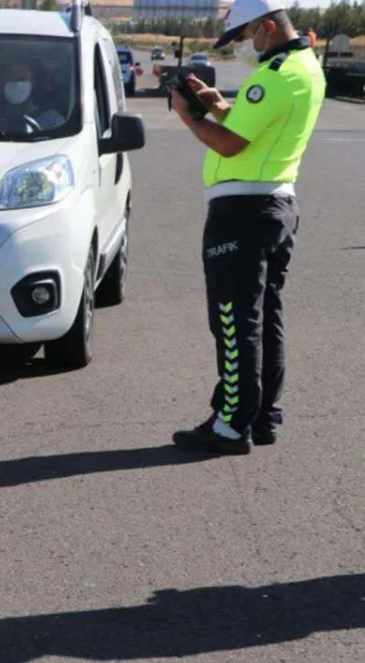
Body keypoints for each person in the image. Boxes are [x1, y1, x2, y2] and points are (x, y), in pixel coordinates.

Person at [168, 0, 324, 454]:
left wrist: (188, 115)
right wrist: (218, 106)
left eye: (242, 36)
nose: (240, 47)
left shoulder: (275, 78)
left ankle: (231, 425)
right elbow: (258, 127)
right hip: (275, 203)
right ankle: (262, 416)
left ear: (268, 27)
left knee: (235, 321)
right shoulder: (303, 67)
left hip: (243, 211)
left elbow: (232, 145)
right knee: (264, 316)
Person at [0, 58, 66, 133]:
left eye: (23, 78)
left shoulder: (51, 118)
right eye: (11, 77)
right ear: (0, 83)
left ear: (32, 83)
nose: (18, 83)